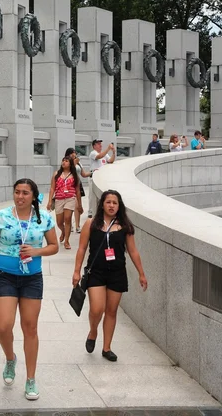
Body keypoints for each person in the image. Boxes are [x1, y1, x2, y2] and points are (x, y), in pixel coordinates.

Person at [0, 178, 58, 401]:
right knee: (4, 327)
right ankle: (10, 358)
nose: (20, 196)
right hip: (5, 276)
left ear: (33, 196)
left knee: (30, 327)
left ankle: (31, 379)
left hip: (32, 277)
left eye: (25, 193)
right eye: (17, 192)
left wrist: (36, 252)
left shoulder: (44, 218)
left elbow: (54, 246)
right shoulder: (1, 216)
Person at [72, 189, 147, 362]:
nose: (111, 205)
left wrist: (141, 273)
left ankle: (107, 348)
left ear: (119, 205)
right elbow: (82, 248)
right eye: (108, 202)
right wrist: (76, 271)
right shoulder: (91, 224)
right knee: (97, 309)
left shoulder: (125, 226)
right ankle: (93, 331)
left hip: (117, 273)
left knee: (111, 311)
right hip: (96, 272)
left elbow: (133, 251)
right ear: (102, 204)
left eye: (115, 202)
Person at [47, 157, 82, 249]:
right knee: (59, 222)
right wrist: (49, 201)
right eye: (63, 160)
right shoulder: (56, 174)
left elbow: (78, 191)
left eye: (66, 161)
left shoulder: (74, 176)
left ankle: (67, 240)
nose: (64, 162)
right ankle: (63, 231)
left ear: (70, 164)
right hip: (59, 199)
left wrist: (80, 205)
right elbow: (52, 188)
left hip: (70, 198)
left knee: (67, 218)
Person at [64, 147, 91, 233]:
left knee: (77, 205)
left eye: (74, 152)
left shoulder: (78, 163)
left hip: (78, 185)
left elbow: (83, 174)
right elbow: (67, 172)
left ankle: (77, 226)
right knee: (70, 205)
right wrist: (74, 163)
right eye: (72, 153)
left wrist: (92, 172)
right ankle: (69, 224)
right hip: (69, 185)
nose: (74, 154)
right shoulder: (67, 162)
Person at [88, 139, 116, 217]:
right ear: (94, 146)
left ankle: (100, 211)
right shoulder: (93, 153)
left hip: (102, 178)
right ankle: (90, 212)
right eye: (98, 144)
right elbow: (99, 156)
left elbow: (110, 160)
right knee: (92, 196)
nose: (100, 145)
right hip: (93, 178)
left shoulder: (104, 154)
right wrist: (108, 149)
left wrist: (113, 152)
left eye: (100, 143)